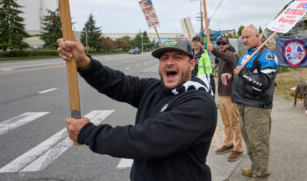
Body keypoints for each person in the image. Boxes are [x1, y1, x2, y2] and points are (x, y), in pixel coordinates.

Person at [57, 37, 217, 181]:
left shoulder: (200, 103)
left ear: (192, 64)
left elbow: (147, 138)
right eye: (164, 58)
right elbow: (117, 82)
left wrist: (88, 133)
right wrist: (84, 63)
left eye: (177, 57)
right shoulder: (153, 88)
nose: (169, 62)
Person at [231, 26, 278, 180]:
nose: (244, 40)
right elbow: (242, 76)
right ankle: (255, 168)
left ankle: (261, 176)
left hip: (257, 107)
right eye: (243, 37)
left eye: (247, 37)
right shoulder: (247, 54)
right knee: (250, 142)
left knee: (259, 145)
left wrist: (242, 73)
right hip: (243, 104)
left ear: (257, 36)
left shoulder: (267, 55)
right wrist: (231, 77)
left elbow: (264, 83)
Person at [207, 35, 243, 162]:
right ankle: (228, 143)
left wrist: (214, 50)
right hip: (221, 95)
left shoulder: (231, 55)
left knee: (234, 123)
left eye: (223, 43)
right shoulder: (221, 57)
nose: (221, 45)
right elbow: (220, 59)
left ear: (228, 45)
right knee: (226, 122)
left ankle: (238, 149)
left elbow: (225, 57)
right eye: (219, 43)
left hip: (230, 95)